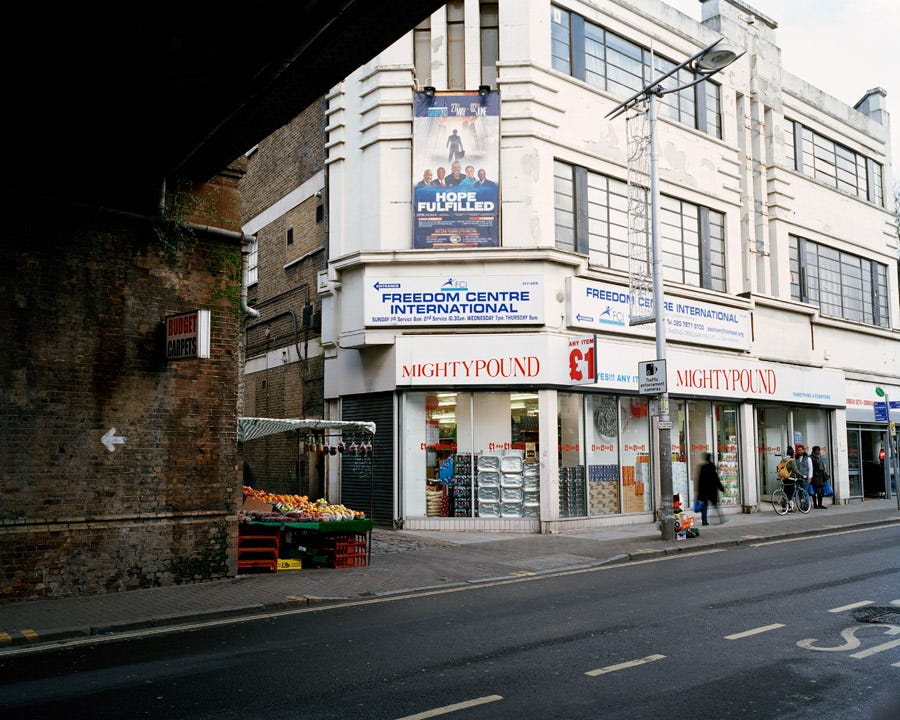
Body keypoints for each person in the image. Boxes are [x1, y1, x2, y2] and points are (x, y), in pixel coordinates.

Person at [696, 452, 726, 526]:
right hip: (712, 491)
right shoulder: (712, 467)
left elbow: (700, 480)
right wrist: (721, 488)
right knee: (715, 505)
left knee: (704, 507)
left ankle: (704, 521)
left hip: (704, 491)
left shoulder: (702, 467)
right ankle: (721, 518)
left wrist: (699, 491)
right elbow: (716, 480)